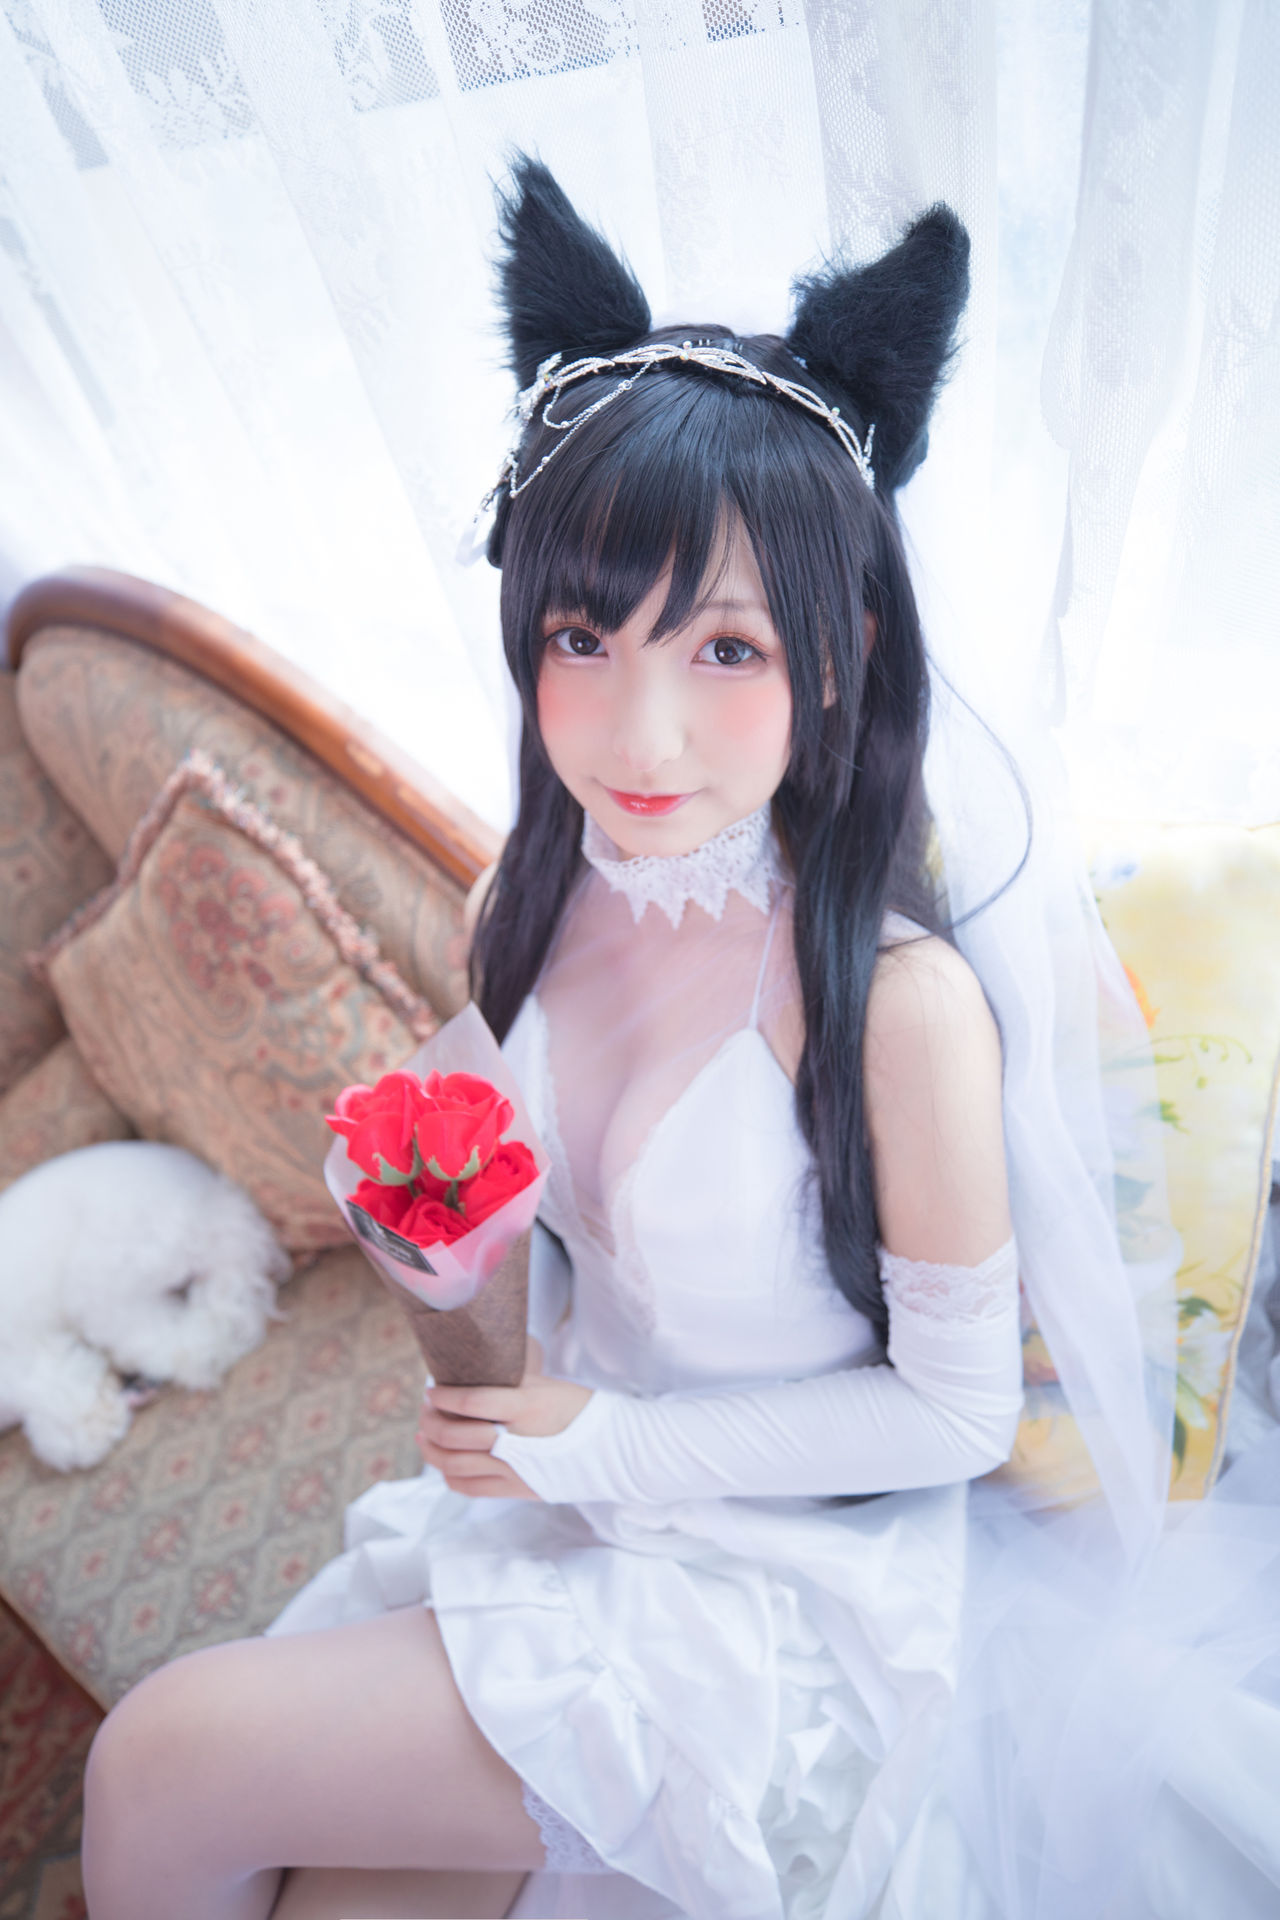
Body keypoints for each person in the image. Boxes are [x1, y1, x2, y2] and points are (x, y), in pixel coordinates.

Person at [80, 160, 1280, 1920]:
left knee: (161, 1759)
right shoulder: (529, 902)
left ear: (838, 649)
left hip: (771, 1589)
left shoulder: (894, 1006)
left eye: (723, 648)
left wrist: (610, 1445)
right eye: (585, 637)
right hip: (563, 1515)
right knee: (320, 1895)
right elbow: (508, 1302)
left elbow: (955, 1413)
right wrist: (432, 1248)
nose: (638, 734)